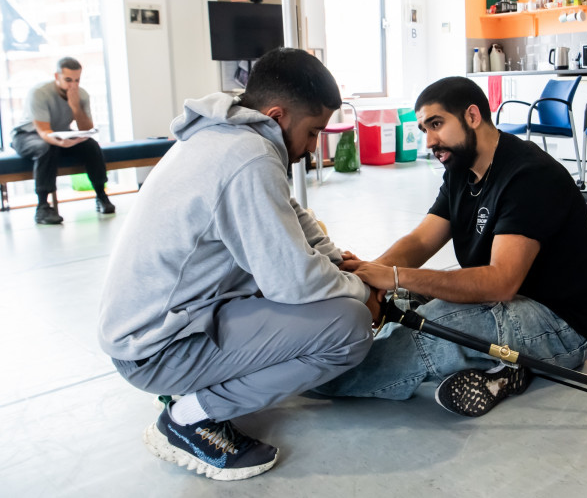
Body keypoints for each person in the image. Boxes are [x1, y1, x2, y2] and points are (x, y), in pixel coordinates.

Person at [98, 48, 381, 481]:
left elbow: (293, 216)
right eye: (311, 132)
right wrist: (364, 293)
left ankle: (203, 388)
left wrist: (343, 262)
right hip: (155, 350)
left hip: (159, 325)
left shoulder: (224, 134)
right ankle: (187, 419)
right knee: (349, 327)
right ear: (278, 114)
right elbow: (295, 283)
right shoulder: (249, 158)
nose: (310, 148)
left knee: (328, 297)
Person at [315, 76, 587, 418]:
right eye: (424, 129)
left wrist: (393, 277)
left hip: (560, 327)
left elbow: (501, 282)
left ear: (471, 116)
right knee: (406, 300)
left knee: (434, 321)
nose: (430, 142)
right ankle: (507, 369)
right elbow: (421, 240)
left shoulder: (530, 176)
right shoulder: (461, 168)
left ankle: (316, 378)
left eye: (436, 124)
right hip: (501, 302)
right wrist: (366, 279)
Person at [10, 57, 115, 225]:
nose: (72, 85)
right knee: (47, 147)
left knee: (91, 145)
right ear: (56, 76)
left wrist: (75, 107)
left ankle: (101, 196)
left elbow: (86, 128)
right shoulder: (39, 93)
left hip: (60, 133)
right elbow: (44, 131)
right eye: (68, 80)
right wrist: (60, 143)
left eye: (76, 80)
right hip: (28, 135)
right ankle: (43, 207)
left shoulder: (81, 95)